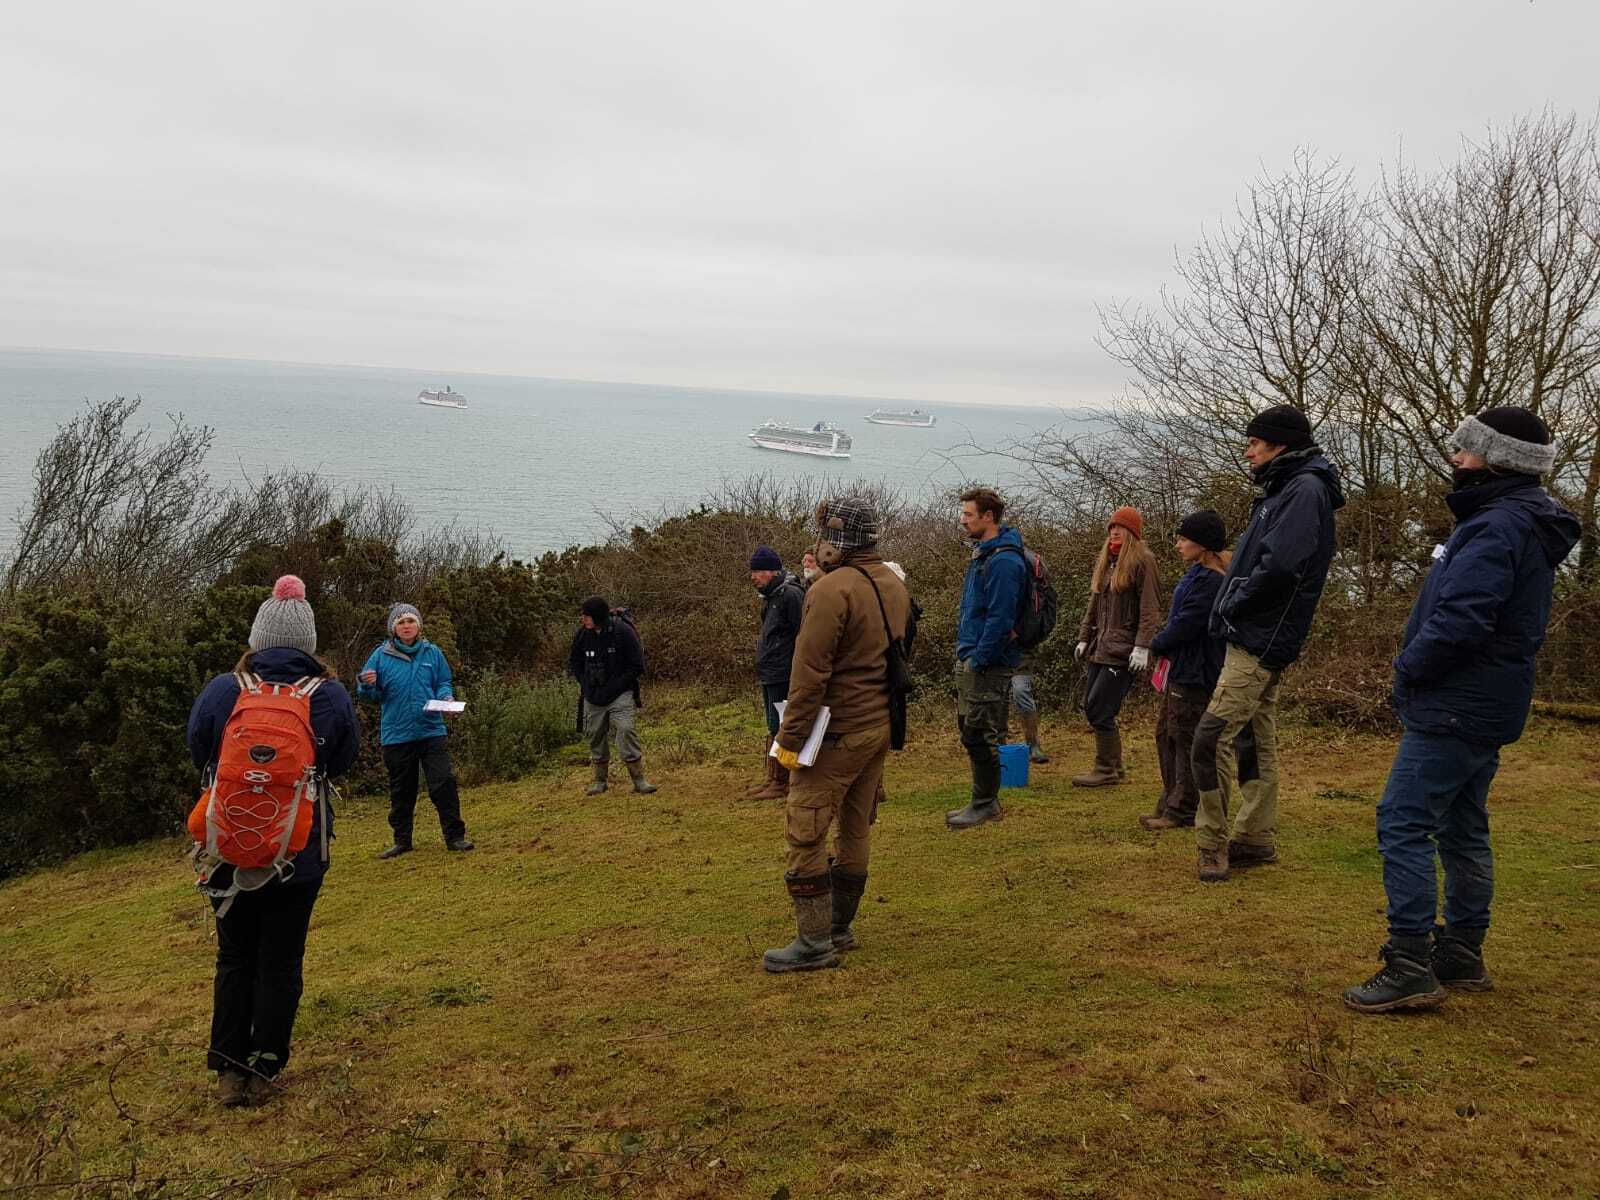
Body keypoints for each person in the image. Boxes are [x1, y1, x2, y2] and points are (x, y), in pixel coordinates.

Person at [1344, 407, 1578, 1013]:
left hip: (1457, 702)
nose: (1457, 459)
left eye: (1467, 449)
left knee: (1404, 821)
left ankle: (1410, 962)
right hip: (1488, 700)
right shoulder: (1515, 521)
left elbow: (1463, 618)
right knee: (1463, 823)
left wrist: (1408, 667)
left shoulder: (1496, 526)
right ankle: (1462, 950)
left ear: (1499, 459)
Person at [187, 575, 359, 1107]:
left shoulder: (223, 689)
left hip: (228, 846)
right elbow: (344, 759)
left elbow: (199, 750)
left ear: (257, 637)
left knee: (235, 956)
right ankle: (267, 1064)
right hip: (297, 851)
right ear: (308, 641)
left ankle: (228, 1068)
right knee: (282, 959)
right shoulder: (328, 694)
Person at [1193, 405, 1345, 882]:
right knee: (1255, 738)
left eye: (1254, 442)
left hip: (1261, 636)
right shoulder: (1290, 487)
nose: (1248, 450)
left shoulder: (1302, 490)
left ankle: (1212, 844)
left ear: (1278, 444)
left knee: (1209, 738)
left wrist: (1232, 599)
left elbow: (1280, 567)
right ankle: (1255, 840)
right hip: (1262, 633)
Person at [763, 495, 910, 972]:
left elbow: (808, 676)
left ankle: (813, 942)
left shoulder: (829, 591)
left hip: (836, 730)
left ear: (835, 540)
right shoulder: (892, 581)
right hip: (876, 725)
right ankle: (839, 928)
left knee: (805, 830)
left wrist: (786, 743)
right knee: (854, 826)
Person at [1143, 510, 1236, 830]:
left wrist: (1154, 644)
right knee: (1166, 734)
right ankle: (1170, 799)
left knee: (1184, 738)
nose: (1178, 545)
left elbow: (1187, 624)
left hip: (1196, 671)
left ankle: (1182, 808)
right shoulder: (1197, 574)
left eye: (1184, 539)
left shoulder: (1212, 582)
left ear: (1203, 544)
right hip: (1181, 667)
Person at [360, 604, 474, 857]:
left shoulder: (433, 653)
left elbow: (443, 681)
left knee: (443, 782)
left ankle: (455, 837)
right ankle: (402, 841)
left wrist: (445, 696)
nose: (406, 625)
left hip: (432, 730)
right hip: (396, 734)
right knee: (402, 790)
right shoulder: (379, 656)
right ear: (394, 629)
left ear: (419, 625)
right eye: (401, 622)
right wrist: (367, 686)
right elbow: (369, 693)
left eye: (411, 620)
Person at [947, 487, 1027, 830]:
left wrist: (979, 659)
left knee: (981, 731)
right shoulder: (984, 554)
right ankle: (981, 799)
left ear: (988, 517)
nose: (962, 520)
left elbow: (1000, 617)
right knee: (970, 729)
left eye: (968, 514)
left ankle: (986, 803)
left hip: (988, 662)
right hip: (972, 655)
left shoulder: (1005, 560)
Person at [1071, 507, 1160, 787]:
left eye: (1120, 527)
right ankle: (1114, 767)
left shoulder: (1143, 561)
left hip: (1124, 651)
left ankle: (1106, 769)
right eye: (1112, 527)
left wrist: (1143, 646)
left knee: (1099, 708)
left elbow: (1149, 609)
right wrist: (1084, 636)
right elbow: (1094, 603)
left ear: (1133, 531)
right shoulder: (1108, 562)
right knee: (1093, 705)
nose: (1114, 531)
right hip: (1102, 646)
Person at [568, 596, 656, 796]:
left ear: (597, 616)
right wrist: (585, 684)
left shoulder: (622, 632)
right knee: (595, 735)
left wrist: (616, 686)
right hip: (593, 695)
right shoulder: (582, 635)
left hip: (620, 693)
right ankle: (600, 781)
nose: (583, 619)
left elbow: (637, 665)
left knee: (626, 729)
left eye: (587, 616)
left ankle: (639, 780)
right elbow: (574, 662)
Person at [747, 545, 805, 801]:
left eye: (758, 571)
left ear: (772, 571)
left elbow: (802, 634)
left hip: (784, 673)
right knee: (773, 725)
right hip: (770, 672)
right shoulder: (770, 598)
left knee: (783, 725)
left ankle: (784, 781)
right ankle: (773, 778)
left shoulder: (790, 595)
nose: (753, 577)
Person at [1010, 660, 1049, 764]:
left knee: (1021, 691)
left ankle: (1033, 746)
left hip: (1019, 663)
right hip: (992, 660)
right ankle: (998, 748)